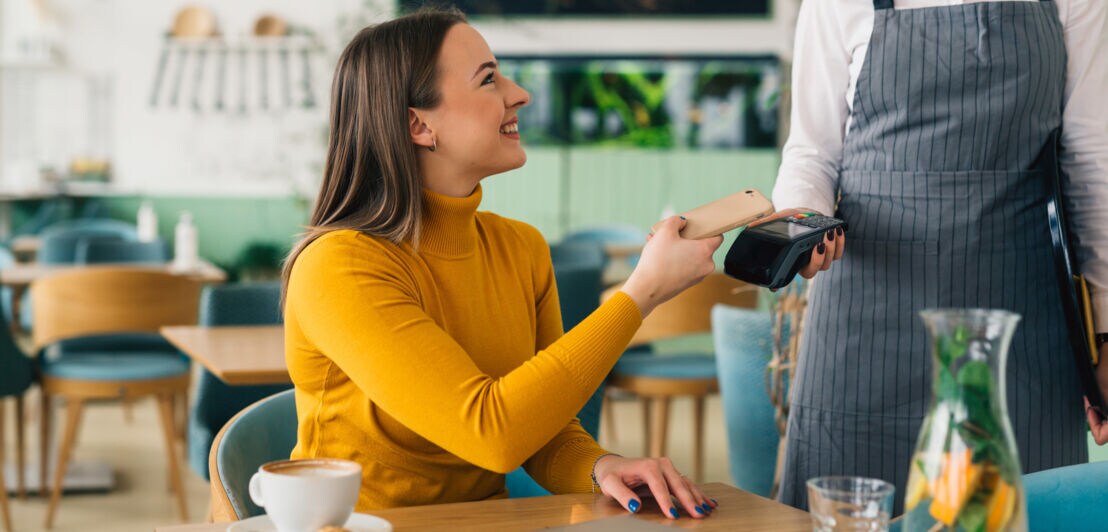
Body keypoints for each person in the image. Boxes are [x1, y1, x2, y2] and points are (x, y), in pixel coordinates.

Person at [281, 7, 722, 519]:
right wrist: (642, 291)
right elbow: (492, 433)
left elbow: (543, 431)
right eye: (488, 79)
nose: (520, 94)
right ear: (417, 124)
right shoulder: (339, 267)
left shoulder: (521, 249)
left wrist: (601, 465)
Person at [771, 0, 1108, 513]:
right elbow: (812, 151)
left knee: (1015, 514)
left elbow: (1092, 159)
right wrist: (801, 221)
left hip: (1021, 324)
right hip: (865, 324)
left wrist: (1104, 331)